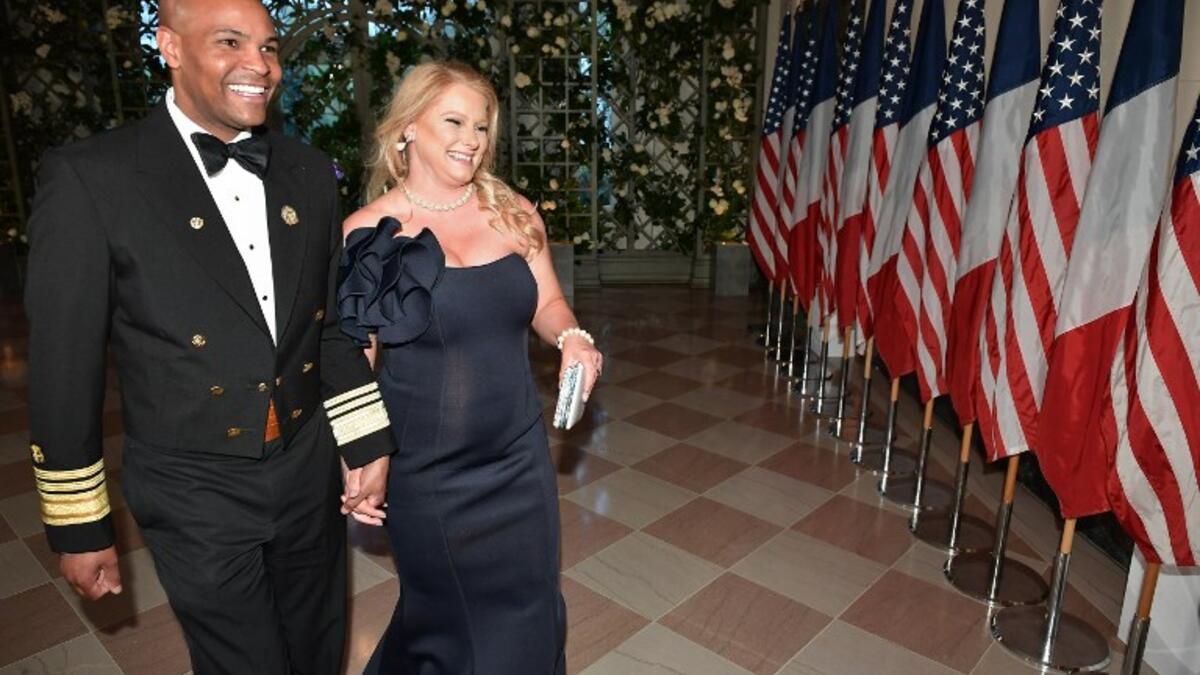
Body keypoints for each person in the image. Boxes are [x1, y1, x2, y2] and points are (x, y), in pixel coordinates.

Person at [23, 0, 395, 672]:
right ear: (169, 46)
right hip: (191, 483)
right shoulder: (92, 178)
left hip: (306, 464)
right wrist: (80, 524)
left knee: (317, 650)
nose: (260, 65)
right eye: (231, 42)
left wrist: (366, 440)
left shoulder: (308, 171)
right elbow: (62, 367)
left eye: (270, 47)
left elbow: (330, 326)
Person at [338, 61, 603, 674]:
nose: (471, 140)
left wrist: (572, 337)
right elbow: (353, 361)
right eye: (453, 121)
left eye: (481, 127)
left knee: (529, 610)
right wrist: (358, 454)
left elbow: (548, 303)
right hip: (427, 476)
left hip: (517, 458)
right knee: (450, 622)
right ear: (406, 129)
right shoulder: (367, 234)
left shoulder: (512, 210)